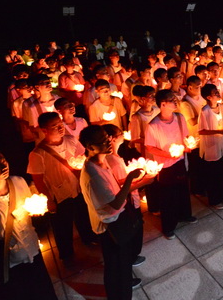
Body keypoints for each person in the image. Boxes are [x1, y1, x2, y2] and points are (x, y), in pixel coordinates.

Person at [79, 125, 154, 300]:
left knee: (122, 260)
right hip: (109, 224)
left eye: (108, 138)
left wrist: (139, 183)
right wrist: (130, 179)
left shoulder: (102, 161)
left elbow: (113, 188)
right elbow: (114, 203)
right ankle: (118, 294)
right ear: (90, 147)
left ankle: (125, 283)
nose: (109, 142)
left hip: (117, 218)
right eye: (103, 141)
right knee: (115, 264)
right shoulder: (92, 173)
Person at [0, 150, 57, 300]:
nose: (3, 166)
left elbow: (27, 210)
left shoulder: (18, 181)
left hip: (31, 249)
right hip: (7, 260)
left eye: (4, 160)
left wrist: (39, 209)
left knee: (43, 291)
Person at [27, 112, 97, 260]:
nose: (60, 128)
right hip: (59, 194)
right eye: (55, 126)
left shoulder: (71, 140)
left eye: (60, 124)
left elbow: (82, 158)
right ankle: (66, 254)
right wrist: (49, 200)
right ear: (44, 130)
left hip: (78, 187)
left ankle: (88, 237)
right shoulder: (38, 153)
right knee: (62, 226)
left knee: (83, 215)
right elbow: (38, 179)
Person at [145, 90, 196, 236]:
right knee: (168, 196)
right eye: (172, 100)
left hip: (180, 161)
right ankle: (169, 227)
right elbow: (150, 146)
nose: (176, 101)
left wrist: (188, 145)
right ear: (162, 104)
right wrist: (168, 155)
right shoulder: (153, 125)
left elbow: (186, 135)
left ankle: (185, 215)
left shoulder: (179, 118)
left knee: (183, 190)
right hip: (165, 166)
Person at [102, 124, 146, 267]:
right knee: (135, 226)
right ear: (112, 139)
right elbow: (122, 185)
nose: (123, 134)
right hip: (127, 201)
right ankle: (132, 257)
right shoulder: (112, 160)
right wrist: (146, 179)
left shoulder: (113, 156)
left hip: (127, 199)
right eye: (120, 133)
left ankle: (131, 255)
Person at [198, 84, 223, 208]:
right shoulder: (205, 111)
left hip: (221, 144)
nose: (218, 94)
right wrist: (219, 132)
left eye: (217, 91)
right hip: (211, 146)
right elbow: (201, 131)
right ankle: (215, 200)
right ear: (208, 97)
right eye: (215, 93)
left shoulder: (220, 106)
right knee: (213, 174)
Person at [179, 76, 207, 195]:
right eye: (197, 87)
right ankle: (197, 189)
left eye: (200, 86)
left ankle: (203, 186)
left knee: (203, 165)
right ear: (190, 87)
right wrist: (207, 112)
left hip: (203, 136)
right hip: (194, 139)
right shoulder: (185, 103)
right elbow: (192, 121)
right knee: (196, 166)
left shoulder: (201, 97)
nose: (200, 89)